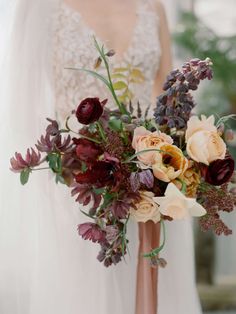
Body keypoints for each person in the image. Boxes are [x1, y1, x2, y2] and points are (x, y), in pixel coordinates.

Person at [0, 0, 202, 313]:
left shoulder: (154, 7)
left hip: (154, 185)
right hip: (78, 191)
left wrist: (170, 155)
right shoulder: (40, 7)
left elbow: (168, 93)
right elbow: (23, 108)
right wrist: (76, 161)